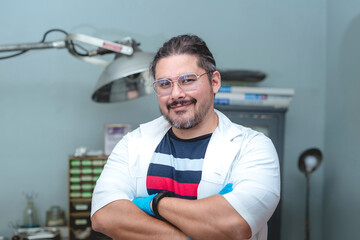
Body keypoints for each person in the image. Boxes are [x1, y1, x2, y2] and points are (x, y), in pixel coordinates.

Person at [91, 34, 280, 240]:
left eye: (188, 80)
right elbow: (104, 215)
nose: (176, 94)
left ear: (214, 82)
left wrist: (153, 203)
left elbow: (234, 225)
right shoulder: (132, 144)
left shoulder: (253, 147)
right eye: (164, 84)